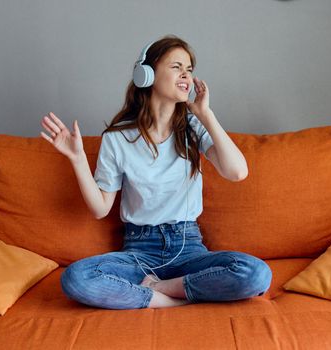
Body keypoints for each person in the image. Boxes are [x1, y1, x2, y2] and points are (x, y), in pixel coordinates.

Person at [40, 35, 272, 309]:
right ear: (146, 75)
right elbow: (100, 208)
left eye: (189, 69)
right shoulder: (117, 138)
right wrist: (78, 159)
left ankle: (160, 290)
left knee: (256, 274)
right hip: (139, 251)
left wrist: (205, 114)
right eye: (176, 67)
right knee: (76, 279)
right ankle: (172, 301)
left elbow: (237, 172)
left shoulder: (193, 127)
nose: (186, 75)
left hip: (188, 248)